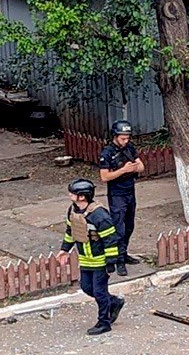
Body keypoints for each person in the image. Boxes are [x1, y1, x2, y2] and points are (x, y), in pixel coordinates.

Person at [60, 178, 125, 335]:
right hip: (85, 259)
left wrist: (111, 263)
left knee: (99, 292)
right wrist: (64, 249)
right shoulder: (73, 211)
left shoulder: (99, 216)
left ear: (82, 196)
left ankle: (104, 322)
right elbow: (71, 232)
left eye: (73, 193)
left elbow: (111, 240)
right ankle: (114, 302)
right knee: (87, 287)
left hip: (100, 261)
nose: (70, 195)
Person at [98, 120, 145, 276]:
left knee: (129, 225)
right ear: (115, 136)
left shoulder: (130, 148)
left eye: (127, 137)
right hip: (117, 193)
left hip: (130, 191)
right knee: (119, 228)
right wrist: (123, 170)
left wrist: (134, 167)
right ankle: (118, 261)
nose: (126, 141)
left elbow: (141, 166)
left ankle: (124, 254)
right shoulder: (107, 153)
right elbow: (104, 177)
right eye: (123, 138)